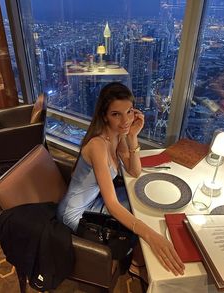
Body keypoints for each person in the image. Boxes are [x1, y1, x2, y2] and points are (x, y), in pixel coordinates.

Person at [57, 82, 185, 280]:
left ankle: (136, 259)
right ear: (104, 116)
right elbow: (112, 204)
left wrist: (133, 137)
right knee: (141, 214)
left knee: (145, 202)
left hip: (94, 200)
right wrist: (150, 236)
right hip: (75, 213)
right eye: (116, 114)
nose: (125, 120)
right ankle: (136, 263)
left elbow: (134, 171)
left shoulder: (118, 135)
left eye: (129, 112)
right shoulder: (97, 145)